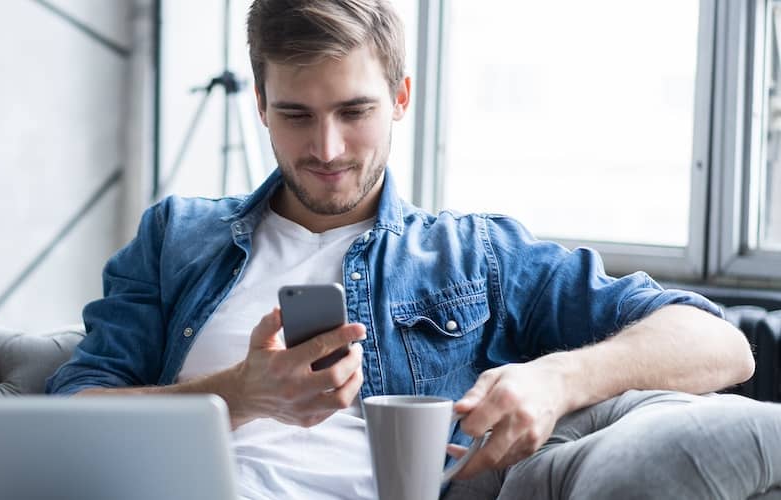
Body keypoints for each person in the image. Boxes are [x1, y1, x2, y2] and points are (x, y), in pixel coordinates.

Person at [46, 1, 781, 498]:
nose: (327, 148)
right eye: (296, 114)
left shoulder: (473, 256)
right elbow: (71, 412)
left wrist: (560, 378)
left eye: (354, 111)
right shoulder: (177, 237)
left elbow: (722, 345)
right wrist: (239, 394)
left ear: (400, 97)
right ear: (261, 105)